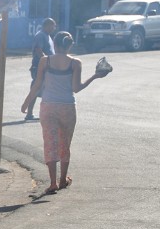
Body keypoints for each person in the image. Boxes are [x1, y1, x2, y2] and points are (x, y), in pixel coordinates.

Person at [21, 31, 109, 194]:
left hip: (48, 106)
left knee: (50, 143)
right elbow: (76, 88)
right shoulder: (75, 63)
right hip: (67, 107)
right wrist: (95, 76)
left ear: (54, 44)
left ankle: (53, 182)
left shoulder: (44, 61)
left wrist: (26, 103)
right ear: (70, 45)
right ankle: (63, 180)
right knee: (64, 144)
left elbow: (37, 84)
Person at [24, 18, 56, 120]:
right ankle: (30, 114)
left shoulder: (47, 36)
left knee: (43, 90)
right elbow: (38, 50)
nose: (53, 28)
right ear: (47, 25)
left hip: (45, 67)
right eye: (52, 26)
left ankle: (40, 113)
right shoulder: (40, 35)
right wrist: (46, 63)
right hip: (39, 67)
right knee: (36, 89)